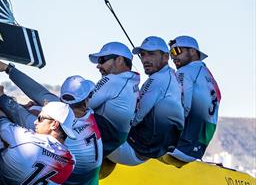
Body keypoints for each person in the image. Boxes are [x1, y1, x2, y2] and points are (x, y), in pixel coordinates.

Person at [0, 61, 103, 185]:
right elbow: (41, 94)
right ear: (86, 101)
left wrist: (1, 98)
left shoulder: (59, 125)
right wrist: (9, 69)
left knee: (9, 129)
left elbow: (20, 115)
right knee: (35, 108)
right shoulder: (87, 113)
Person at [107, 36, 184, 165]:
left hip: (131, 150)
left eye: (151, 54)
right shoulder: (171, 76)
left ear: (165, 57)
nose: (145, 59)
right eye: (143, 54)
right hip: (145, 150)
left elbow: (136, 118)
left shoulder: (158, 80)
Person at [168, 36, 221, 162]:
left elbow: (181, 107)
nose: (173, 57)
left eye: (176, 51)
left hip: (180, 146)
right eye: (171, 54)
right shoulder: (209, 76)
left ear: (192, 51)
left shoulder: (185, 71)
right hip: (198, 147)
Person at [86, 42, 140, 155]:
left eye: (102, 60)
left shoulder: (113, 80)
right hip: (116, 141)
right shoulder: (133, 82)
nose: (98, 66)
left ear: (119, 60)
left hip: (102, 140)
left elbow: (82, 105)